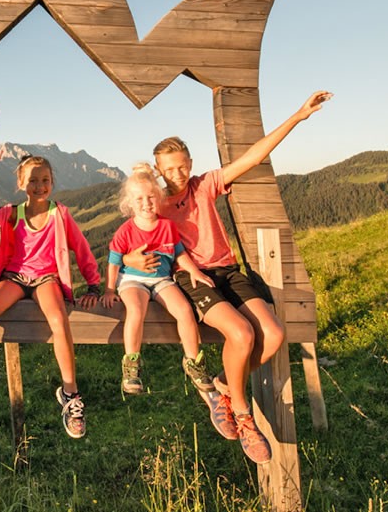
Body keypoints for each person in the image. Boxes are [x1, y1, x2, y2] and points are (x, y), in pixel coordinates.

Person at [125, 90, 332, 464]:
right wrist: (127, 257)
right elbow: (131, 238)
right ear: (158, 171)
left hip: (228, 271)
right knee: (241, 334)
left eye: (181, 165)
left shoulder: (205, 184)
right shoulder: (157, 203)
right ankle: (242, 415)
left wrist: (298, 115)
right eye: (168, 169)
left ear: (190, 162)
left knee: (274, 335)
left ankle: (222, 384)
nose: (176, 174)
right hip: (193, 278)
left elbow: (254, 156)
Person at [0, 147, 102, 438]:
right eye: (33, 181)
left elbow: (81, 247)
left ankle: (70, 394)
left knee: (58, 320)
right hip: (14, 277)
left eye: (45, 180)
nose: (39, 186)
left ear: (52, 182)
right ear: (20, 184)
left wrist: (93, 283)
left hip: (46, 278)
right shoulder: (11, 214)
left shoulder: (60, 214)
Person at [102, 164, 216, 397]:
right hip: (132, 280)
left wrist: (194, 271)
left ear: (160, 197)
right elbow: (114, 262)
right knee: (135, 309)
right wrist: (109, 289)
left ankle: (193, 362)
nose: (146, 203)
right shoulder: (126, 230)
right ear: (130, 204)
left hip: (162, 279)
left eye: (151, 196)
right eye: (139, 199)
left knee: (185, 310)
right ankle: (131, 366)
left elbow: (180, 253)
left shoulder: (167, 226)